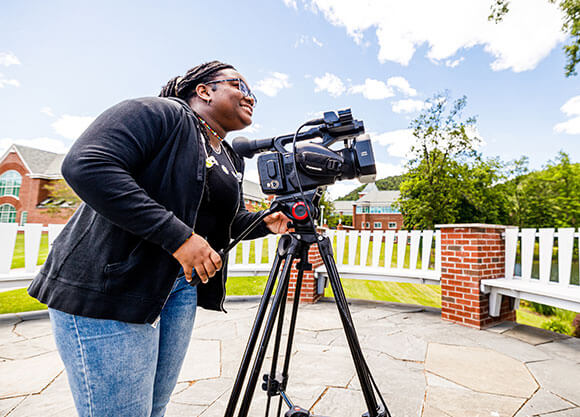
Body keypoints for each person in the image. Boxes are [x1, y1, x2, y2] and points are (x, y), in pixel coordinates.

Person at [28, 60, 289, 417]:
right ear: (204, 90)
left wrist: (265, 222)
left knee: (154, 408)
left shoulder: (228, 158)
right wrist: (180, 238)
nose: (250, 97)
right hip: (108, 286)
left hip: (176, 289)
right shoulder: (160, 113)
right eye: (239, 86)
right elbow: (86, 164)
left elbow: (218, 224)